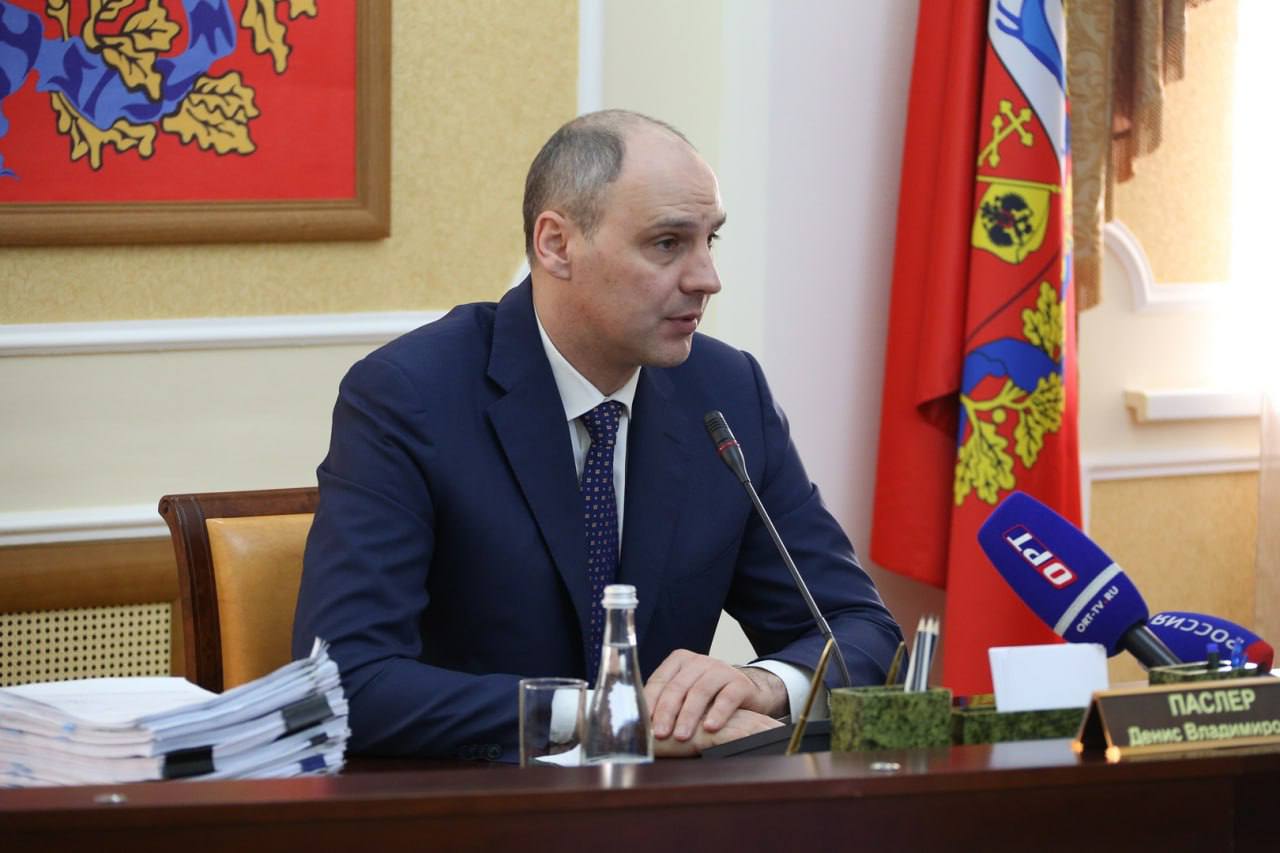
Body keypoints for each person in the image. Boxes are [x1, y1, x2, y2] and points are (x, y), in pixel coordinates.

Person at [292, 110, 901, 761]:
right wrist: (606, 715)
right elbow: (346, 682)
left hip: (663, 807)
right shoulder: (411, 395)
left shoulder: (726, 393)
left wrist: (763, 684)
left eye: (710, 240)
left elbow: (863, 630)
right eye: (667, 243)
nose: (706, 278)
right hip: (479, 800)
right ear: (557, 244)